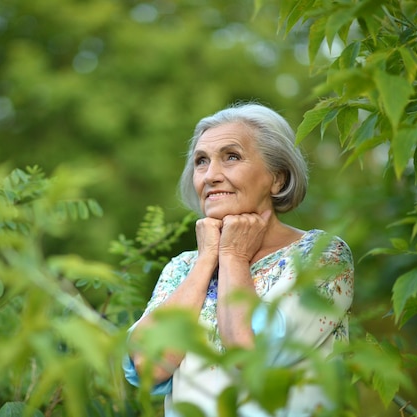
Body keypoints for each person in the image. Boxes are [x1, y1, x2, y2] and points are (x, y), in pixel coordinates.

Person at [122, 102, 354, 417]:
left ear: (277, 179)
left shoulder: (323, 254)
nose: (210, 176)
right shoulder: (183, 267)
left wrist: (232, 254)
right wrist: (206, 261)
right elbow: (150, 366)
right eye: (201, 162)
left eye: (231, 157)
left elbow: (249, 357)